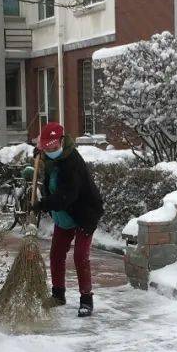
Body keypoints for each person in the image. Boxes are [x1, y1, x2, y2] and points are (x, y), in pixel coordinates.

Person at [33, 121, 104, 317]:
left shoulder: (72, 162)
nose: (51, 150)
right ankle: (58, 295)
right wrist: (38, 153)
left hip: (84, 213)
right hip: (65, 215)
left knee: (80, 256)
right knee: (56, 254)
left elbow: (67, 196)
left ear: (62, 142)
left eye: (54, 147)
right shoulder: (49, 156)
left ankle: (86, 300)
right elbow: (45, 159)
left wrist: (42, 205)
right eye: (47, 147)